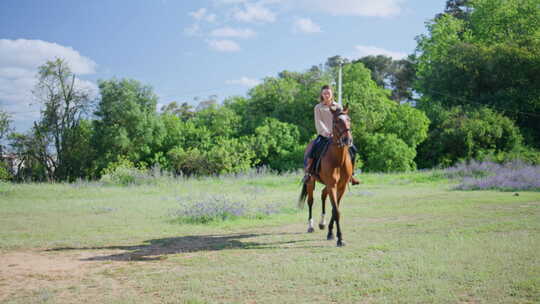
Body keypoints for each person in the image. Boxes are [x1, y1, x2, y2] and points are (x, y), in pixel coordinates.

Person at [303, 85, 360, 185]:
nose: (326, 95)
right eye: (324, 93)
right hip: (324, 135)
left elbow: (342, 120)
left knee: (353, 149)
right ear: (322, 94)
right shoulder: (318, 107)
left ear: (331, 94)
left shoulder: (338, 106)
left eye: (328, 93)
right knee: (313, 149)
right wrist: (326, 132)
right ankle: (309, 173)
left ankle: (352, 174)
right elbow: (318, 122)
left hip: (338, 136)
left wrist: (342, 133)